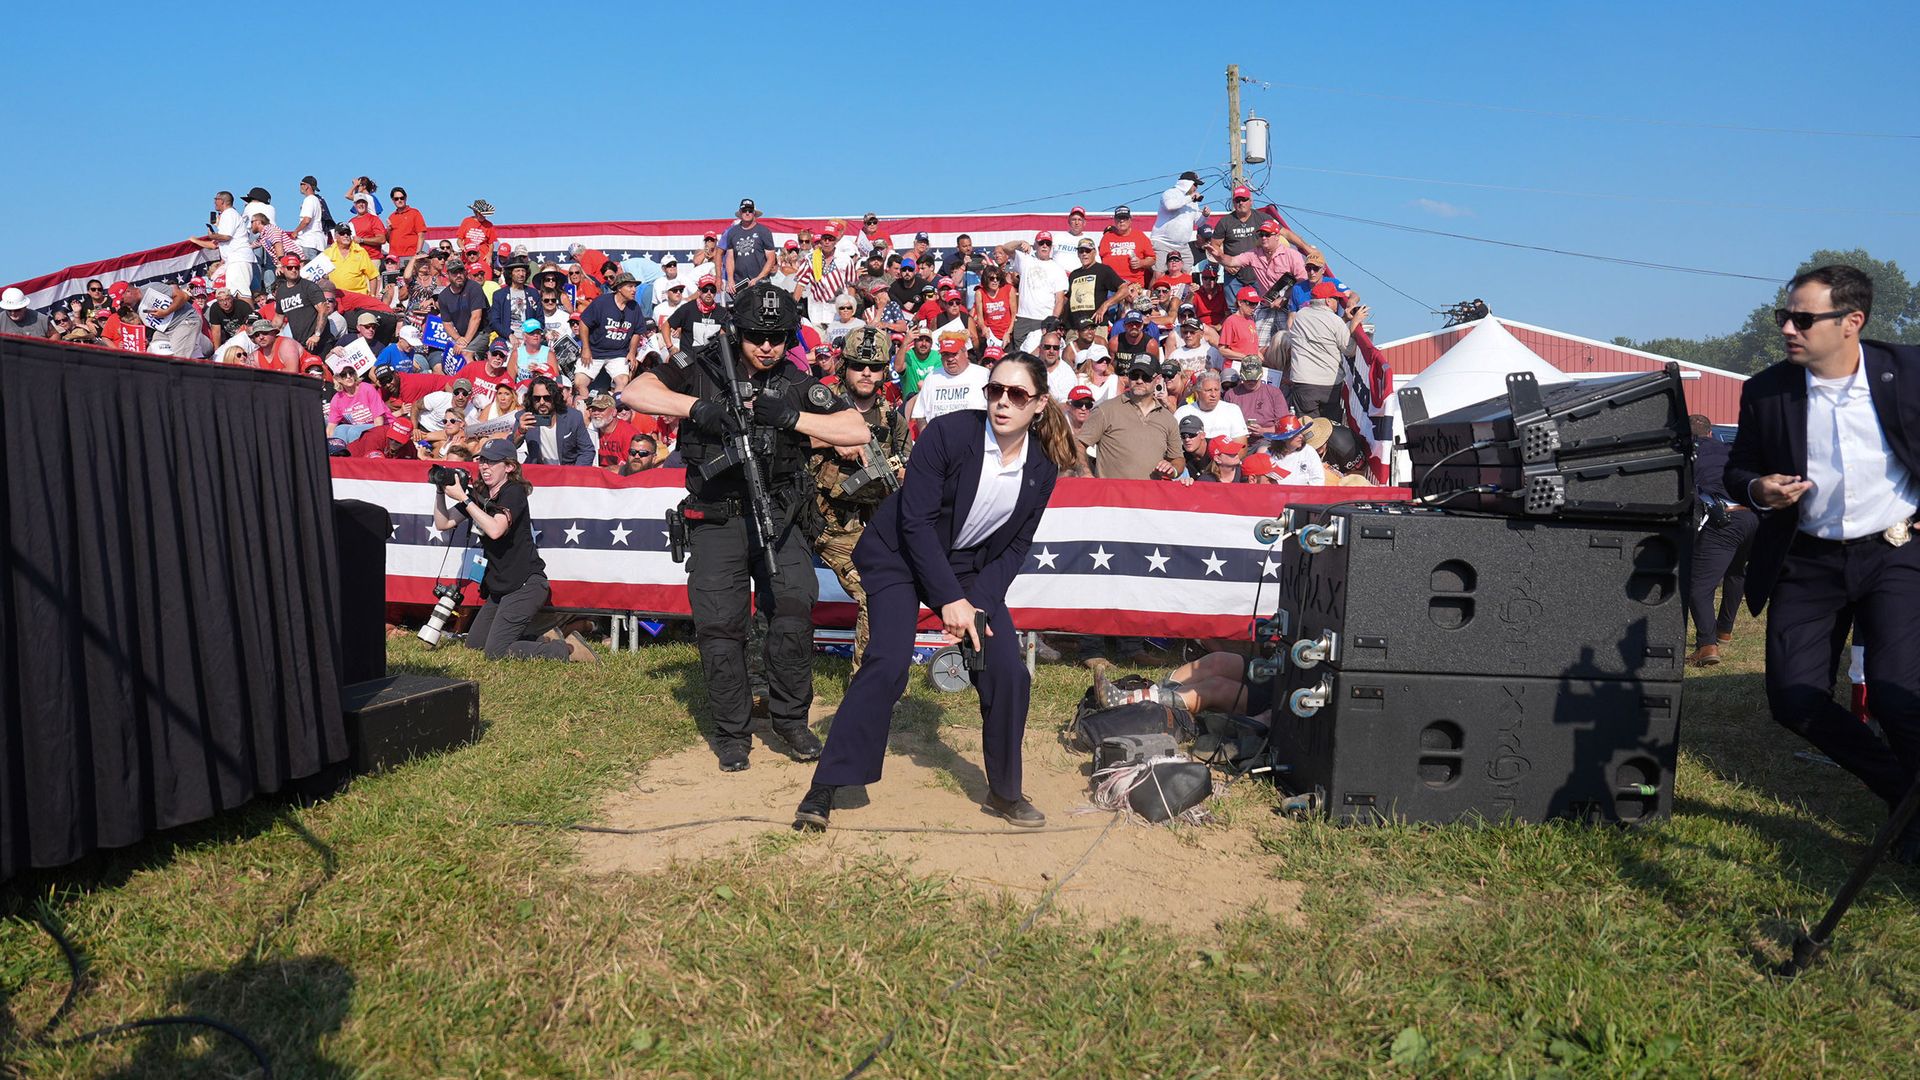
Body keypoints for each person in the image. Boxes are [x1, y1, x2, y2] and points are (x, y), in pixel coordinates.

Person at [794, 351, 1077, 831]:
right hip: (898, 555)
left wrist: (974, 603)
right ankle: (826, 785)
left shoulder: (1042, 467)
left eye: (1017, 394)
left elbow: (1015, 547)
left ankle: (1005, 792)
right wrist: (949, 600)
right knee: (887, 661)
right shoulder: (950, 434)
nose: (1003, 403)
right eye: (995, 391)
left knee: (1007, 669)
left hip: (969, 570)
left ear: (1040, 404)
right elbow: (916, 523)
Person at [621, 282, 871, 772]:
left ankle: (791, 720)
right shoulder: (703, 365)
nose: (767, 346)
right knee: (720, 625)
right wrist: (696, 407)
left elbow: (856, 430)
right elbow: (635, 391)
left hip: (780, 517)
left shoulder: (797, 381)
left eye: (777, 337)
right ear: (738, 330)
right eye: (757, 335)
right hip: (717, 518)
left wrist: (795, 418)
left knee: (794, 611)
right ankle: (732, 731)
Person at [1726, 265, 1920, 858]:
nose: (1788, 327)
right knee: (1794, 698)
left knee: (1895, 692)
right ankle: (1903, 791)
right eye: (1783, 316)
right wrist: (1759, 489)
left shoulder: (1909, 371)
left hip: (1895, 551)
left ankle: (1913, 828)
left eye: (1803, 318)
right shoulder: (1766, 389)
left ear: (1851, 322)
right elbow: (1738, 469)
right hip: (1806, 559)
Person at [432, 439, 594, 662]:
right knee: (475, 643)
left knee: (495, 652)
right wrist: (440, 492)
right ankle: (541, 638)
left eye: (492, 462)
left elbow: (496, 529)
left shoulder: (513, 492)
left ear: (509, 467)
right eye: (482, 461)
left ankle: (565, 650)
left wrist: (464, 499)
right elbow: (444, 523)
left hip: (525, 585)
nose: (484, 467)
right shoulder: (480, 496)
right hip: (500, 588)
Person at [810, 327, 911, 675]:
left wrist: (900, 477)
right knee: (782, 598)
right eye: (857, 365)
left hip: (856, 528)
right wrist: (830, 439)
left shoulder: (891, 418)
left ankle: (866, 684)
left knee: (876, 594)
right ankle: (764, 680)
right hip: (811, 518)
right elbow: (783, 440)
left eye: (875, 367)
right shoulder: (820, 402)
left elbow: (906, 466)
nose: (866, 373)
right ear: (844, 367)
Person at [1686, 415, 1757, 666]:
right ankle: (1724, 631)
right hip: (1753, 516)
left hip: (1726, 519)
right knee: (1736, 572)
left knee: (1698, 586)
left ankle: (1706, 646)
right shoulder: (1727, 448)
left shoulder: (1690, 454)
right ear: (1711, 433)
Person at [1274, 286, 1367, 420]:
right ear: (1328, 301)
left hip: (1303, 382)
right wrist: (1354, 323)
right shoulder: (1334, 320)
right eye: (1336, 298)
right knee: (1328, 429)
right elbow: (1349, 350)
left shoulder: (1300, 315)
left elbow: (1322, 329)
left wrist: (1345, 319)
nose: (1338, 302)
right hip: (1328, 384)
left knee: (1307, 430)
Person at [517, 375, 594, 466]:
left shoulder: (573, 417)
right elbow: (510, 447)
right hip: (540, 471)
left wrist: (575, 474)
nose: (542, 402)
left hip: (567, 472)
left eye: (547, 398)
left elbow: (587, 450)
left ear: (555, 398)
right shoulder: (525, 417)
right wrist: (520, 432)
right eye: (537, 398)